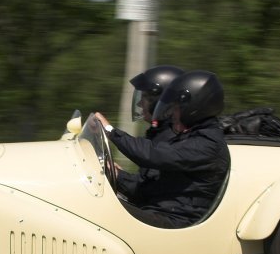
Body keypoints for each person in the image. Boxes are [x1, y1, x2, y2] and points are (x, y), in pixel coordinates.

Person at [95, 70, 230, 228]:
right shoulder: (192, 138)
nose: (172, 113)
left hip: (174, 221)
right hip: (161, 213)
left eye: (177, 108)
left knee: (98, 211)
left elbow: (154, 154)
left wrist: (111, 131)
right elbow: (152, 187)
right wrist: (117, 175)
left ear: (193, 108)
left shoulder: (207, 143)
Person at [115, 65, 184, 202]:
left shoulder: (172, 138)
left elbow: (146, 191)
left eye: (145, 97)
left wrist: (118, 176)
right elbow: (148, 181)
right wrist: (117, 173)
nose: (140, 103)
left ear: (160, 101)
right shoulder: (161, 133)